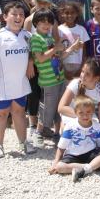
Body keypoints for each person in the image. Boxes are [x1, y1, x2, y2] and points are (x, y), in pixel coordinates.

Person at [0, 2, 38, 158]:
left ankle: (23, 143)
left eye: (21, 14)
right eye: (14, 14)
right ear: (5, 17)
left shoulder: (27, 36)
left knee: (20, 113)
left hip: (20, 82)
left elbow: (32, 52)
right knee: (0, 114)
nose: (18, 17)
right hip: (2, 84)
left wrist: (30, 63)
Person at [48, 95, 100, 181]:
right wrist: (55, 162)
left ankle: (86, 169)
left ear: (93, 112)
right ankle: (96, 166)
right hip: (73, 155)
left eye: (88, 112)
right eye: (81, 113)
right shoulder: (70, 126)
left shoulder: (97, 126)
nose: (85, 116)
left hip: (91, 153)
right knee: (60, 167)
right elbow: (61, 147)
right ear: (75, 113)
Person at [57, 58, 100, 149]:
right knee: (70, 131)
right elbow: (61, 108)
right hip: (71, 113)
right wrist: (82, 115)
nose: (82, 76)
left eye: (87, 74)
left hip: (90, 115)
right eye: (82, 71)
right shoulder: (75, 84)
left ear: (96, 78)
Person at [30, 9, 69, 147]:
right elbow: (40, 58)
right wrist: (54, 49)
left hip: (59, 77)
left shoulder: (50, 37)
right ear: (36, 23)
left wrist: (71, 48)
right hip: (47, 80)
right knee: (47, 108)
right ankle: (39, 133)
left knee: (59, 107)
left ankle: (57, 133)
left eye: (49, 22)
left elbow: (58, 56)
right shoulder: (36, 38)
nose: (46, 25)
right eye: (42, 22)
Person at [56, 4, 88, 79]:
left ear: (77, 14)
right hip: (63, 66)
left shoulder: (81, 29)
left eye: (72, 12)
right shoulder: (58, 29)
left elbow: (84, 52)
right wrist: (63, 69)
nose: (70, 15)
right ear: (62, 14)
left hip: (78, 66)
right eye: (67, 13)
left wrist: (82, 67)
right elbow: (57, 52)